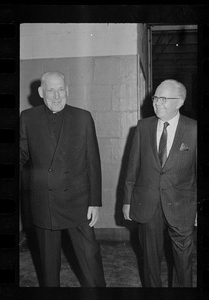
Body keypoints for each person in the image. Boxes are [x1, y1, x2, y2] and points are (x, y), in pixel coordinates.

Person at [20, 71, 106, 287]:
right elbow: (20, 155)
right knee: (49, 270)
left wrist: (95, 202)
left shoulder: (83, 117)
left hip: (78, 202)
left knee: (90, 260)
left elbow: (93, 162)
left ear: (67, 90)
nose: (56, 96)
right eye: (51, 90)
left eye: (61, 90)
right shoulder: (28, 118)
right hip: (45, 203)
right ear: (41, 92)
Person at [123, 79, 197, 287]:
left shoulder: (194, 130)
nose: (157, 103)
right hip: (148, 205)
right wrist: (127, 201)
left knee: (184, 262)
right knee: (150, 261)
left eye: (164, 99)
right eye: (156, 98)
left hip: (183, 206)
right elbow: (132, 168)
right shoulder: (143, 127)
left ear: (179, 102)